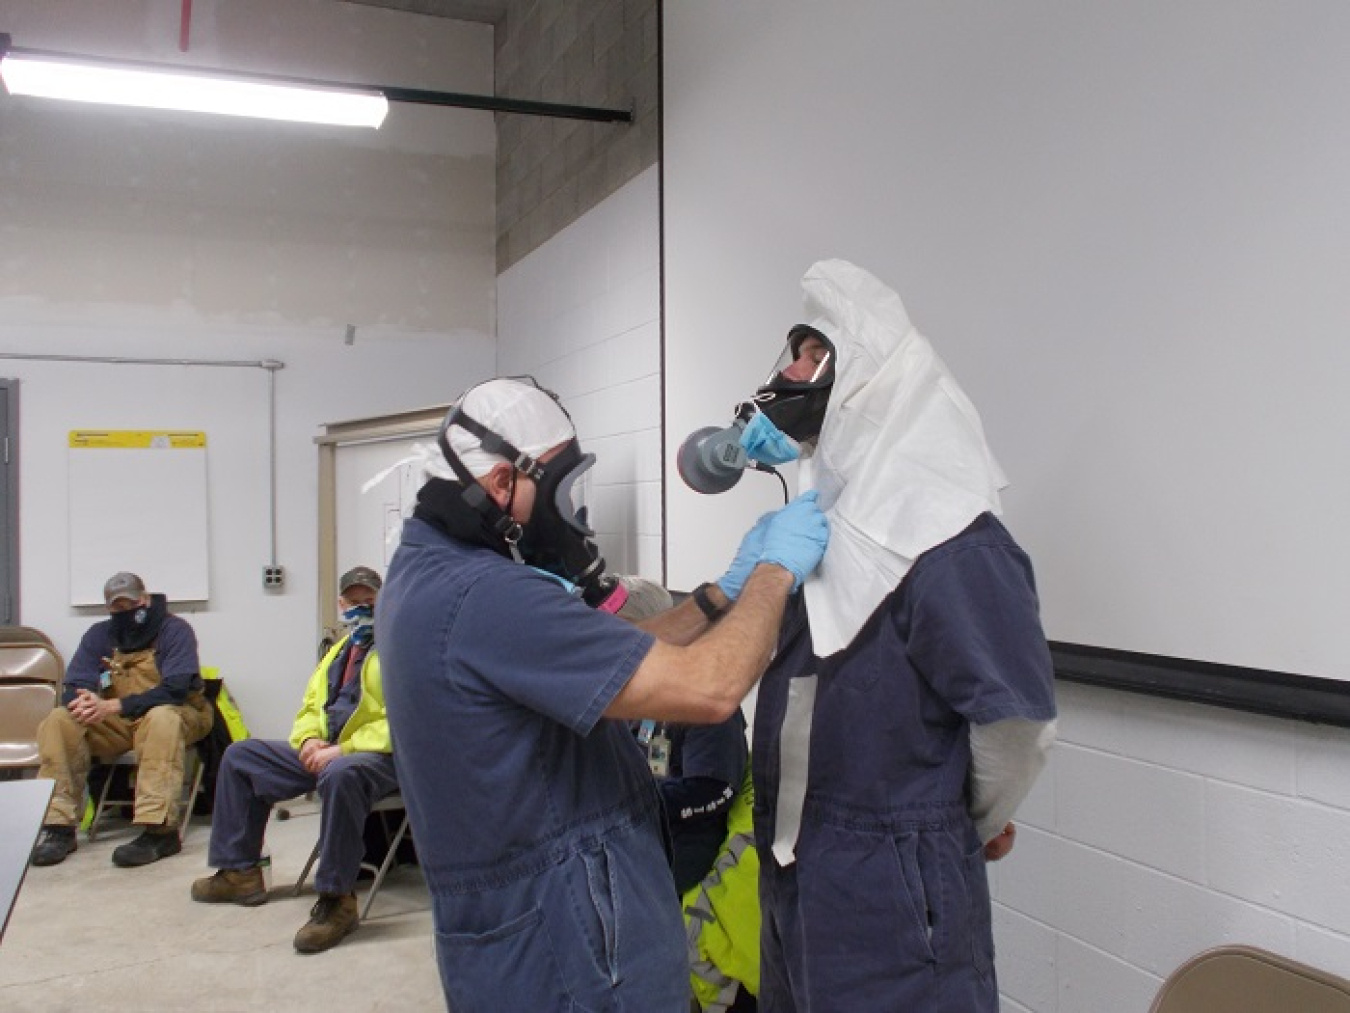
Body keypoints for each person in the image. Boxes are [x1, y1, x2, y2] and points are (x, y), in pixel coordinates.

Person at [376, 376, 829, 1013]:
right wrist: (775, 574)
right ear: (503, 484)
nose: (575, 515)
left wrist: (717, 594)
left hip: (531, 936)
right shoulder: (485, 597)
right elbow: (712, 690)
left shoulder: (430, 573)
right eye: (561, 489)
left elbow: (613, 656)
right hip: (570, 948)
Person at [745, 260, 1059, 1011]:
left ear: (869, 377)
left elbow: (1015, 725)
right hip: (796, 871)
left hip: (890, 888)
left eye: (811, 352)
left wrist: (957, 825)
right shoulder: (826, 518)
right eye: (791, 350)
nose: (788, 371)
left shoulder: (953, 536)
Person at [190, 565, 399, 955]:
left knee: (340, 773)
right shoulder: (338, 651)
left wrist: (344, 749)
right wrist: (309, 739)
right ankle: (240, 872)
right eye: (353, 602)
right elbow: (311, 705)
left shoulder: (401, 647)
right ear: (341, 605)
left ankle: (338, 901)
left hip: (379, 757)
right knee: (240, 756)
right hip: (331, 749)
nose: (361, 608)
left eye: (369, 600)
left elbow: (408, 718)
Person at [620, 578, 759, 1013]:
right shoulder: (632, 699)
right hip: (641, 869)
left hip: (689, 872)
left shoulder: (703, 703)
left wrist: (633, 803)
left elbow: (713, 788)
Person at [30, 571, 214, 868]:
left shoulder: (175, 630)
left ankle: (160, 830)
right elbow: (75, 684)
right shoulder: (99, 635)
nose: (126, 611)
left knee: (161, 718)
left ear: (145, 598)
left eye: (132, 603)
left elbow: (176, 689)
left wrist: (115, 705)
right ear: (108, 609)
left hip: (180, 714)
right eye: (117, 607)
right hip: (119, 720)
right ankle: (58, 827)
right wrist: (86, 701)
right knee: (59, 720)